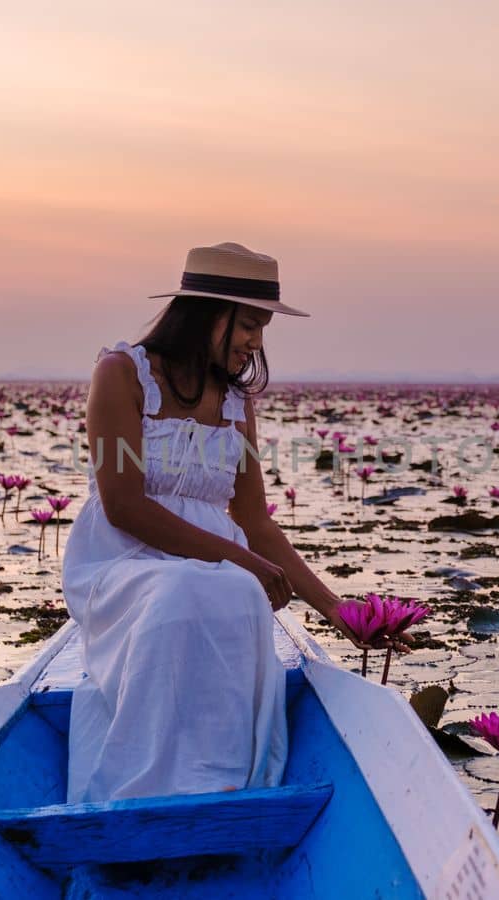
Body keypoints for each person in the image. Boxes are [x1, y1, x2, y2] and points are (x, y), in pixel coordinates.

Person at [60, 242, 392, 804]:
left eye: (263, 329)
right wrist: (238, 558)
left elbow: (255, 523)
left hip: (213, 571)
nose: (256, 343)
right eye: (251, 325)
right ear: (209, 313)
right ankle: (139, 794)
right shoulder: (122, 375)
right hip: (124, 564)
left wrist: (339, 611)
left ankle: (223, 785)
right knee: (189, 590)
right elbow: (125, 505)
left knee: (236, 594)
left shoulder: (237, 403)